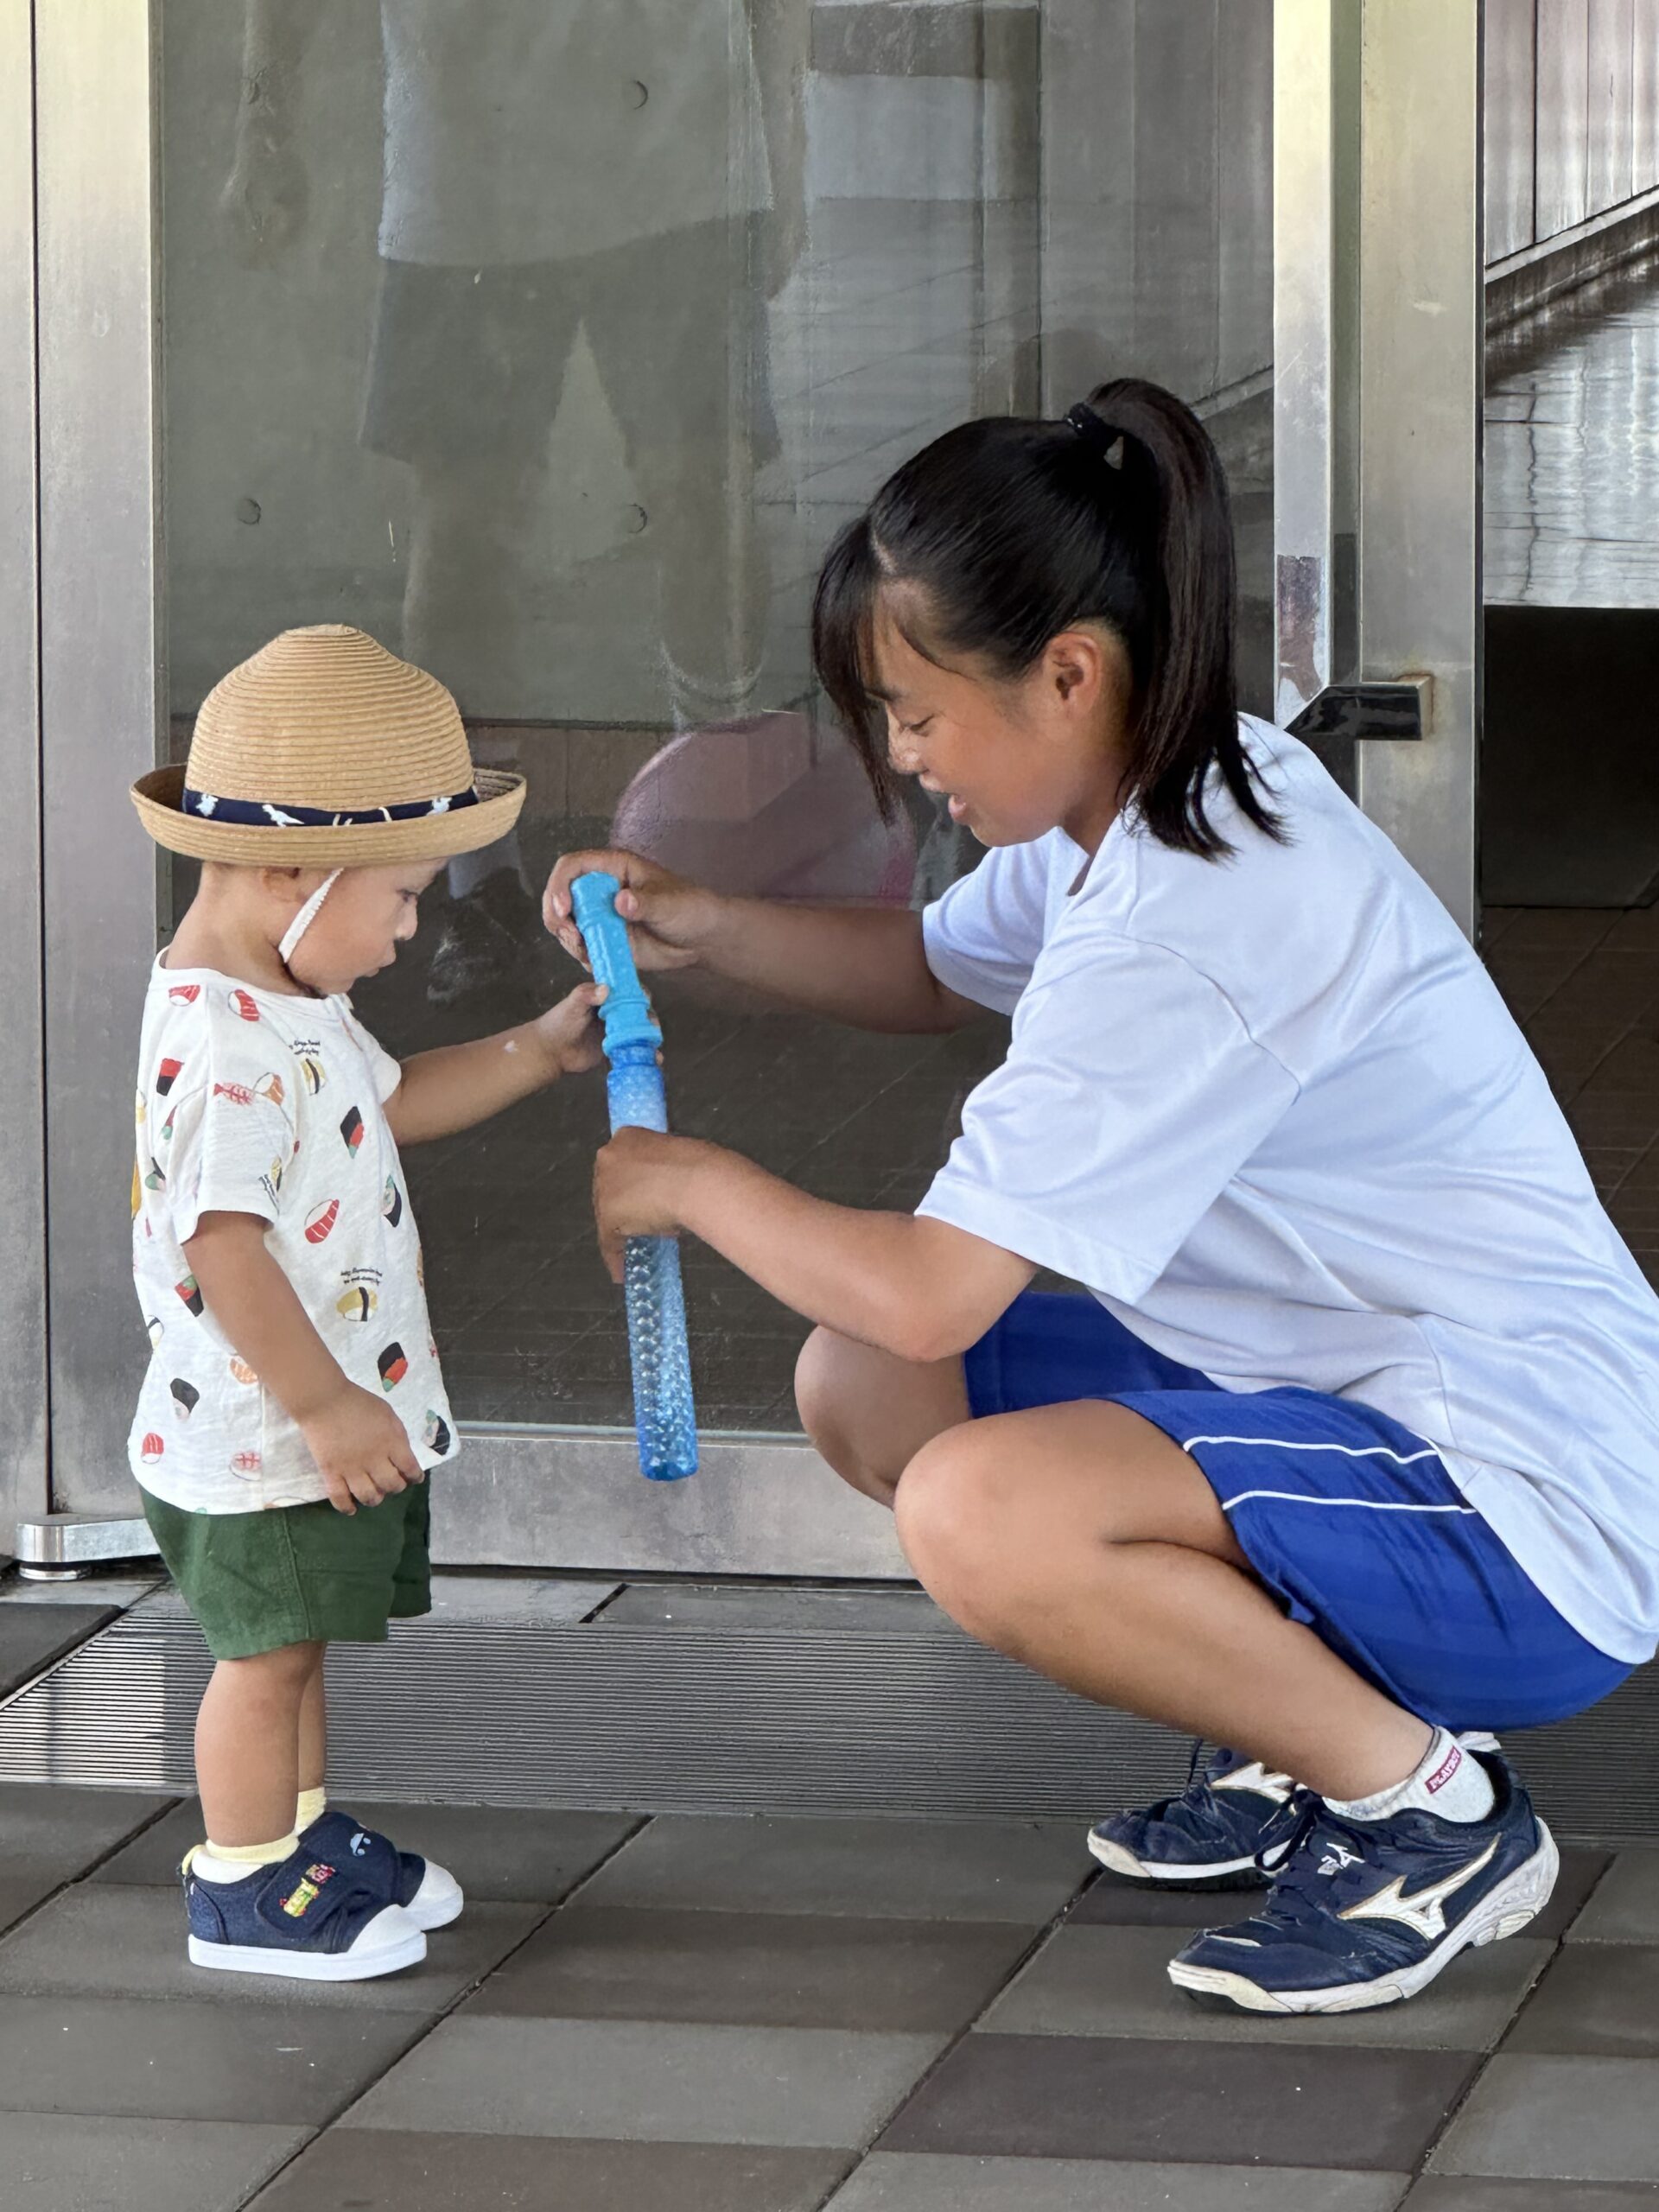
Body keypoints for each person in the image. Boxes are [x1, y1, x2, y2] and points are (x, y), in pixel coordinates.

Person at [549, 378, 1659, 2016]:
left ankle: (1427, 1813)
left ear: (1067, 672)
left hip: (1518, 1508)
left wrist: (692, 1180)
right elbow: (932, 969)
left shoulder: (1187, 920)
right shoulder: (1167, 790)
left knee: (979, 1506)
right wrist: (702, 924)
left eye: (915, 714)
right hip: (1353, 1403)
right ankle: (1308, 1734)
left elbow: (934, 1285)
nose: (903, 756)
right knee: (868, 1383)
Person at [129, 624, 604, 1980]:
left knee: (299, 1650)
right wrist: (329, 1407)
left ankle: (299, 1839)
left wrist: (535, 1048)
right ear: (290, 871)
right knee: (263, 1660)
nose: (411, 928)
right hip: (266, 1431)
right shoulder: (228, 1046)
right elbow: (222, 1248)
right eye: (398, 897)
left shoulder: (287, 999)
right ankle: (241, 1885)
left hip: (302, 1425)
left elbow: (387, 1104)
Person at [222, 0, 808, 1007]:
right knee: (466, 530)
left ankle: (707, 837)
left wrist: (788, 144)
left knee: (703, 500)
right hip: (469, 164)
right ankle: (477, 881)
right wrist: (263, 125)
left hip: (685, 148)